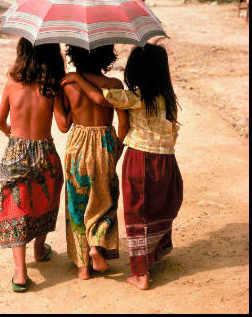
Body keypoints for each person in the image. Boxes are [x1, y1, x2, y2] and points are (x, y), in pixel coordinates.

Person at [62, 43, 183, 290]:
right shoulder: (166, 98)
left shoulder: (130, 96)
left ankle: (102, 268)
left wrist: (75, 77)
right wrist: (114, 152)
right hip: (163, 161)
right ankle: (132, 253)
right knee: (123, 204)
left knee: (92, 205)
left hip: (109, 154)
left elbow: (83, 109)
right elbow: (123, 126)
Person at [0, 38, 71, 292]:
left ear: (22, 54)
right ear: (52, 56)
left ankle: (20, 273)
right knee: (44, 200)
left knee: (16, 206)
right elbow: (62, 126)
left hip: (16, 150)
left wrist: (13, 136)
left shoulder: (11, 84)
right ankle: (39, 249)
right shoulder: (51, 87)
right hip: (44, 152)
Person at [61, 45, 129, 280]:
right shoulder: (114, 85)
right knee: (104, 200)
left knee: (77, 203)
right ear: (107, 56)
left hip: (77, 145)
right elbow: (124, 125)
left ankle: (82, 267)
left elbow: (62, 126)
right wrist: (116, 150)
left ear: (74, 56)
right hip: (104, 144)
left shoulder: (69, 84)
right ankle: (96, 247)